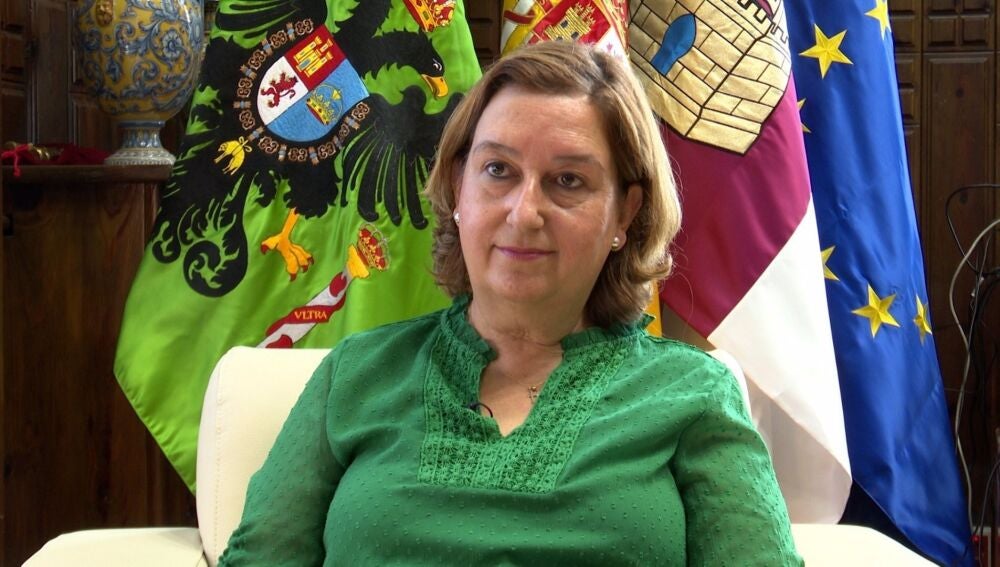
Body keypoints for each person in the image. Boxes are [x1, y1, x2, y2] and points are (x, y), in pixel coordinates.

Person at [218, 40, 802, 565]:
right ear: (458, 189)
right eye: (498, 170)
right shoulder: (355, 376)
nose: (524, 214)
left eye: (568, 180)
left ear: (624, 213)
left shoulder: (692, 395)